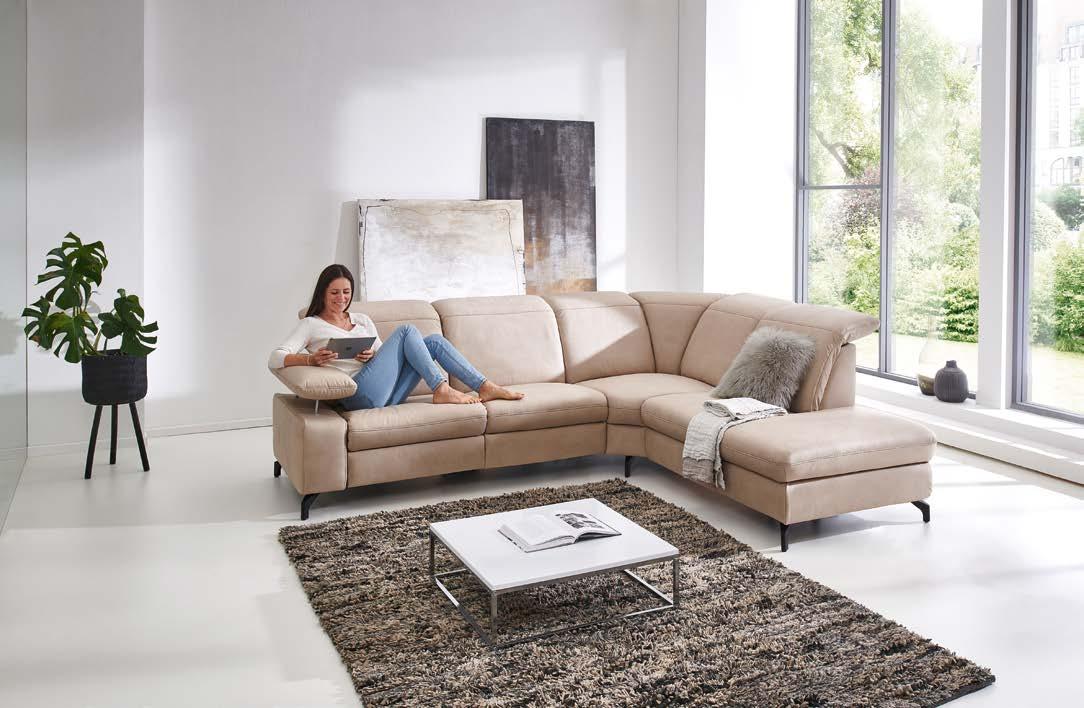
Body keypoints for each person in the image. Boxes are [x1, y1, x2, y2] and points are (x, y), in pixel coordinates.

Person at [269, 264, 525, 411]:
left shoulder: (362, 320)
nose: (341, 298)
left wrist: (372, 355)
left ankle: (484, 386)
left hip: (386, 394)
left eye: (346, 292)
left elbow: (389, 357)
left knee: (433, 342)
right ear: (323, 294)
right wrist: (310, 360)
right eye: (334, 292)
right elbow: (275, 358)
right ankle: (441, 388)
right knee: (406, 331)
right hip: (357, 395)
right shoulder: (311, 324)